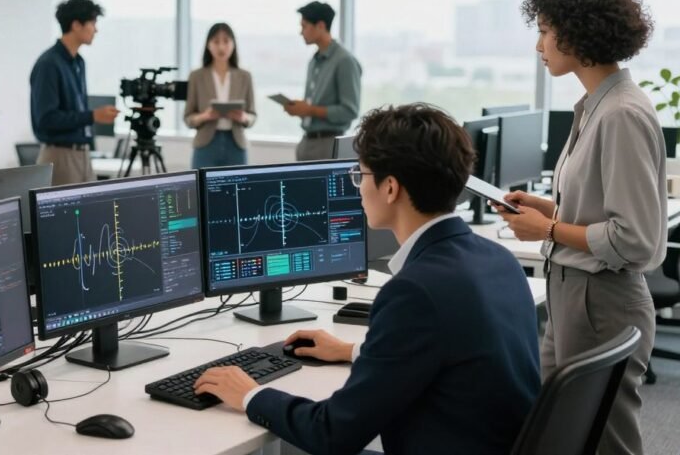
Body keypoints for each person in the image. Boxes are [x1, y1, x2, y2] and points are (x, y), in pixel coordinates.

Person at [194, 103, 540, 455]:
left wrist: (251, 395)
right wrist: (352, 351)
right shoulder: (498, 259)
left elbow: (332, 434)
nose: (357, 188)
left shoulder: (414, 292)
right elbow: (450, 353)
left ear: (390, 188)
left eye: (360, 175)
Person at [497, 0, 663, 455]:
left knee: (605, 443)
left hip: (601, 301)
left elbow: (633, 238)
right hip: (573, 296)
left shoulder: (621, 114)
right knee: (560, 440)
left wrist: (548, 229)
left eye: (545, 31)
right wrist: (550, 209)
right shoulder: (594, 106)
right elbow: (600, 208)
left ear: (576, 33)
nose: (539, 45)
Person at [30, 0, 119, 186]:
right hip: (60, 155)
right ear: (76, 25)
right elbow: (46, 119)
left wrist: (91, 117)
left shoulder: (79, 62)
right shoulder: (49, 64)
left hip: (83, 154)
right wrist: (93, 116)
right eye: (92, 23)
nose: (96, 29)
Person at [285, 1, 362, 161]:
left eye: (304, 26)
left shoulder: (344, 61)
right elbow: (313, 106)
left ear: (320, 26)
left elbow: (350, 111)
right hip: (307, 142)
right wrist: (300, 109)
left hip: (329, 144)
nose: (301, 32)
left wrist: (309, 110)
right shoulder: (314, 62)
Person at [184, 23, 257, 169]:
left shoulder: (245, 76)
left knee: (239, 183)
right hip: (206, 145)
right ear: (208, 45)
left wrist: (243, 117)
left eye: (226, 41)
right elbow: (188, 118)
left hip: (236, 144)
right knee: (201, 183)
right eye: (216, 41)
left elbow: (252, 115)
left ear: (233, 44)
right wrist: (204, 116)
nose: (221, 47)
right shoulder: (197, 76)